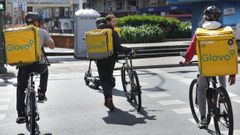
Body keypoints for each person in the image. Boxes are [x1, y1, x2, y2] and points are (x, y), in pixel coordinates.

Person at [181, 6, 236, 129]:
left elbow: (191, 49)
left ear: (205, 17)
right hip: (224, 66)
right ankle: (222, 96)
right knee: (221, 82)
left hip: (207, 67)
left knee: (201, 89)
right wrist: (232, 74)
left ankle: (203, 119)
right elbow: (232, 52)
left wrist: (187, 59)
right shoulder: (226, 31)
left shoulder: (200, 32)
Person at [16, 12, 55, 124]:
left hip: (24, 66)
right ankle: (41, 93)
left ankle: (21, 115)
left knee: (20, 88)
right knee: (45, 71)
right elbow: (52, 46)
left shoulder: (20, 32)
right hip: (39, 65)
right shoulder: (42, 31)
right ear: (38, 22)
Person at [95, 15, 133, 111]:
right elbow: (118, 48)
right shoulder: (113, 32)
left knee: (104, 79)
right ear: (108, 22)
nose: (115, 23)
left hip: (99, 59)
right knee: (109, 78)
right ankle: (109, 99)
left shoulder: (97, 32)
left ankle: (108, 99)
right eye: (113, 21)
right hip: (110, 59)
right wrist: (129, 50)